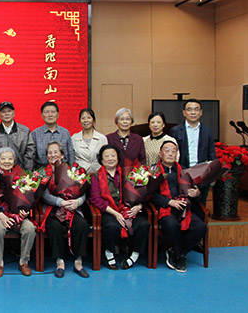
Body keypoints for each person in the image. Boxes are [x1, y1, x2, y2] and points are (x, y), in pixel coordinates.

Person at [89, 144, 150, 270]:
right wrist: (115, 214)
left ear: (118, 158)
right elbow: (96, 199)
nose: (110, 158)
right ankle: (109, 253)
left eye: (113, 155)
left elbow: (141, 193)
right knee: (112, 226)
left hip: (128, 209)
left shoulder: (128, 173)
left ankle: (135, 254)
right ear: (101, 160)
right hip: (109, 211)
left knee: (143, 225)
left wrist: (138, 206)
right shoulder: (95, 176)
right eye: (106, 156)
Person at [152, 140, 207, 273]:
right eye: (167, 151)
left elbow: (195, 188)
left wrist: (196, 193)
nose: (170, 154)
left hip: (184, 209)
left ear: (177, 154)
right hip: (165, 208)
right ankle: (180, 257)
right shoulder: (153, 170)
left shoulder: (185, 171)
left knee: (201, 227)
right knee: (172, 225)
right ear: (160, 153)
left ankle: (176, 252)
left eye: (173, 151)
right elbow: (149, 195)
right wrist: (169, 202)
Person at [0, 147, 36, 277]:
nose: (6, 161)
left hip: (16, 213)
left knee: (30, 228)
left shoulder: (21, 175)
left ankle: (24, 262)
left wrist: (25, 211)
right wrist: (1, 216)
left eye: (10, 158)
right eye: (3, 158)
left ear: (14, 161)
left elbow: (27, 198)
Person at [41, 142, 89, 278]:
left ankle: (78, 262)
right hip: (53, 209)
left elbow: (83, 191)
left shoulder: (72, 170)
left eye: (56, 152)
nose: (53, 155)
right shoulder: (43, 172)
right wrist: (60, 202)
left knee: (82, 225)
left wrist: (77, 202)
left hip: (73, 208)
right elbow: (44, 195)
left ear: (62, 155)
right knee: (54, 227)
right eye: (50, 152)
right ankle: (60, 262)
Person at [170, 99, 216, 205]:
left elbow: (211, 153)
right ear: (184, 112)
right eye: (189, 109)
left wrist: (210, 174)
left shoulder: (207, 130)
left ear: (201, 112)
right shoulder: (175, 131)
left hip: (202, 174)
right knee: (184, 204)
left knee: (200, 205)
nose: (193, 112)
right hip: (183, 172)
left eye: (196, 109)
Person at [0, 101, 36, 170]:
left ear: (14, 113)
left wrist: (26, 171)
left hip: (20, 171)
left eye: (9, 111)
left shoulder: (24, 131)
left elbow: (30, 152)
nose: (6, 114)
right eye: (3, 112)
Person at [32, 101, 75, 167]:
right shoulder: (35, 133)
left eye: (53, 112)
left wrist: (72, 169)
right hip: (41, 170)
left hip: (63, 169)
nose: (50, 115)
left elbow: (70, 154)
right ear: (42, 115)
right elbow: (32, 156)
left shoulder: (65, 133)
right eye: (47, 112)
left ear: (58, 114)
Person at [70, 108, 107, 174]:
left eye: (89, 118)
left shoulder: (102, 138)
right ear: (80, 121)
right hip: (79, 174)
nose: (86, 120)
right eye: (83, 118)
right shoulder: (74, 138)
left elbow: (106, 157)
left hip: (98, 173)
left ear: (93, 120)